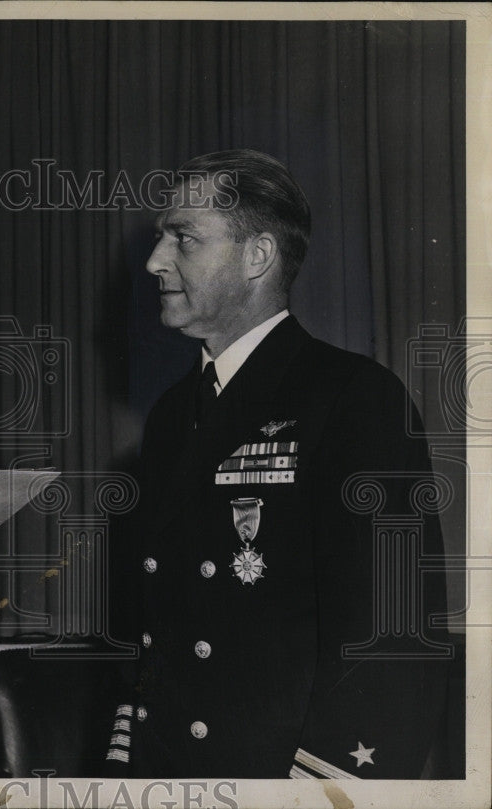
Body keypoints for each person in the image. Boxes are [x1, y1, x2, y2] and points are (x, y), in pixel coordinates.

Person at [104, 150, 451, 778]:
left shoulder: (352, 398)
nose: (155, 260)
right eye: (160, 237)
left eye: (182, 237)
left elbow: (393, 640)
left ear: (257, 256)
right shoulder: (171, 415)